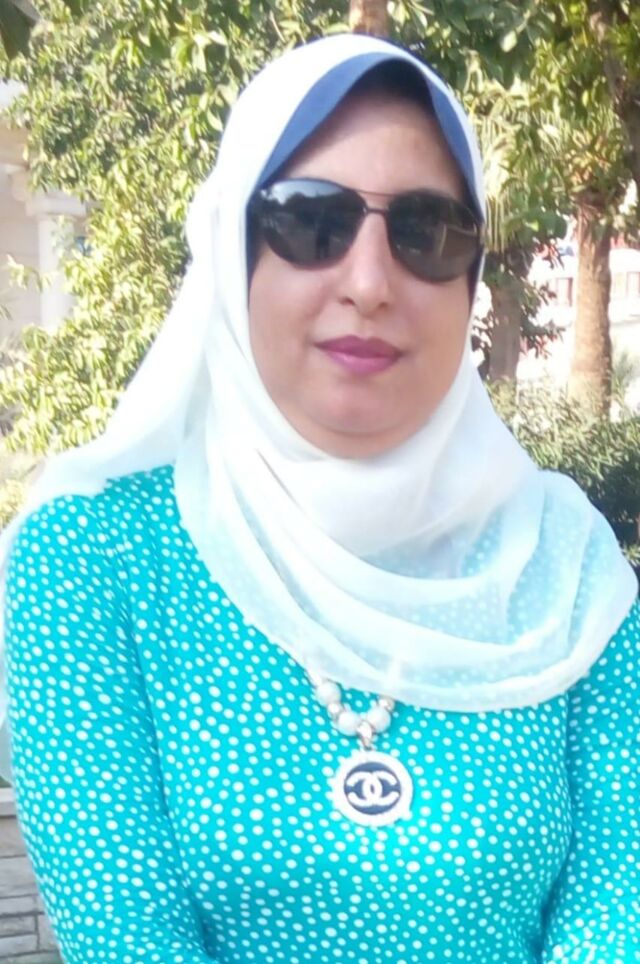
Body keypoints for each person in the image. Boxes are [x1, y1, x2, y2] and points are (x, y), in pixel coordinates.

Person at [1, 32, 639, 964]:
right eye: (310, 221)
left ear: (469, 280)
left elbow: (617, 909)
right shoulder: (93, 559)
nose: (370, 283)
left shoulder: (566, 573)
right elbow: (128, 935)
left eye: (426, 231)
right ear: (233, 252)